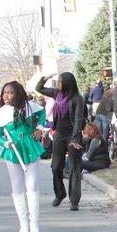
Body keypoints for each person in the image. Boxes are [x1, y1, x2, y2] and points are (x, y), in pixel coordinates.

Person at [0, 80, 46, 232]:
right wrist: (5, 142)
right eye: (4, 93)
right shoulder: (1, 113)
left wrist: (39, 128)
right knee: (17, 186)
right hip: (12, 150)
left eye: (10, 92)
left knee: (33, 184)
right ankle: (23, 224)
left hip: (30, 145)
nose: (6, 95)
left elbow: (42, 114)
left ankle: (34, 224)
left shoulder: (30, 107)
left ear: (18, 93)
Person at [36, 72, 86, 210]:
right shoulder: (56, 93)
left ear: (68, 83)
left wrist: (75, 139)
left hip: (73, 135)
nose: (58, 84)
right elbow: (39, 88)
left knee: (74, 167)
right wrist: (44, 78)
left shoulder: (78, 99)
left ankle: (74, 200)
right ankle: (60, 193)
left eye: (60, 82)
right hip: (59, 134)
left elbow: (78, 120)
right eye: (57, 81)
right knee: (56, 166)